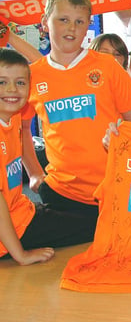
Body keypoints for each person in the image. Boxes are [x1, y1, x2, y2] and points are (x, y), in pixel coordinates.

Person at [21, 0, 131, 222]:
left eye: (79, 22)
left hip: (114, 189)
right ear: (45, 22)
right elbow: (23, 129)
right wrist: (34, 172)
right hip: (61, 193)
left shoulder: (108, 67)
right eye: (63, 20)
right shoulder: (32, 76)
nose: (71, 28)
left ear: (88, 24)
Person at [0, 49, 95, 265]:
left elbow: (45, 67)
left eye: (20, 83)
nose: (12, 90)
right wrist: (21, 255)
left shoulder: (12, 117)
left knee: (92, 217)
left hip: (23, 212)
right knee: (97, 225)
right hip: (11, 231)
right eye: (2, 82)